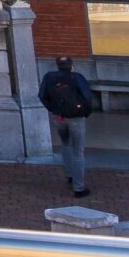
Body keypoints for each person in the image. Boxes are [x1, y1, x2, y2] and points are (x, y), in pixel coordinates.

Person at [38, 56, 95, 197]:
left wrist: (53, 109)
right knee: (78, 152)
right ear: (71, 66)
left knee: (66, 144)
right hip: (76, 118)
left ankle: (69, 174)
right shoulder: (77, 77)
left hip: (59, 117)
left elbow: (42, 95)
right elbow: (87, 97)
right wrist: (84, 113)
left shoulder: (49, 77)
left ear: (57, 65)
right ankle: (79, 188)